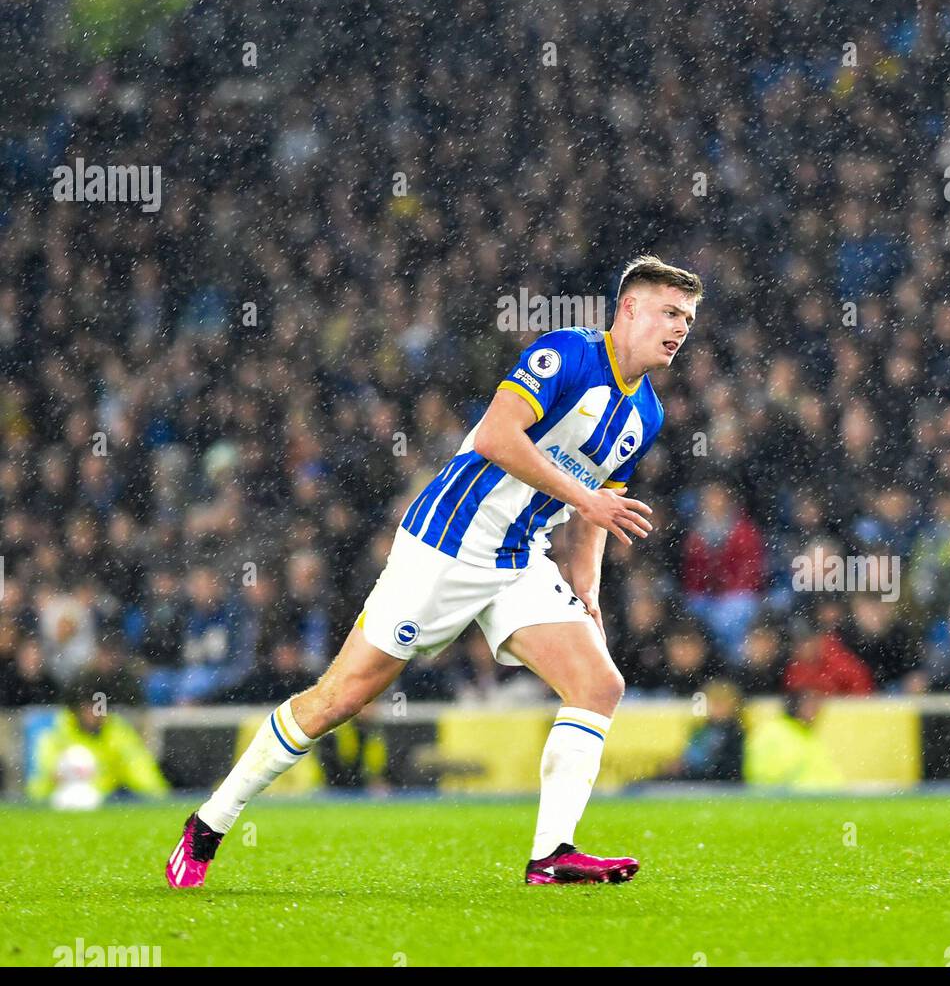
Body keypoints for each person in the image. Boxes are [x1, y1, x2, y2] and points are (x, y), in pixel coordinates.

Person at [166, 255, 703, 888]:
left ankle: (552, 854)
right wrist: (586, 501)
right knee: (341, 697)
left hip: (517, 556)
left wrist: (587, 583)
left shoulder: (648, 415)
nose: (680, 328)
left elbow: (597, 507)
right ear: (629, 309)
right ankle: (208, 824)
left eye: (689, 319)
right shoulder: (567, 354)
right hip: (446, 543)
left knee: (598, 686)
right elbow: (496, 439)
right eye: (670, 312)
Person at [28, 672, 168, 805]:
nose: (94, 713)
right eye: (88, 707)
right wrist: (52, 782)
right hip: (61, 803)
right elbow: (39, 784)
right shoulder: (57, 733)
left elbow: (140, 769)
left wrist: (158, 797)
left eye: (99, 706)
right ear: (76, 708)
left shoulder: (117, 733)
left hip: (106, 803)